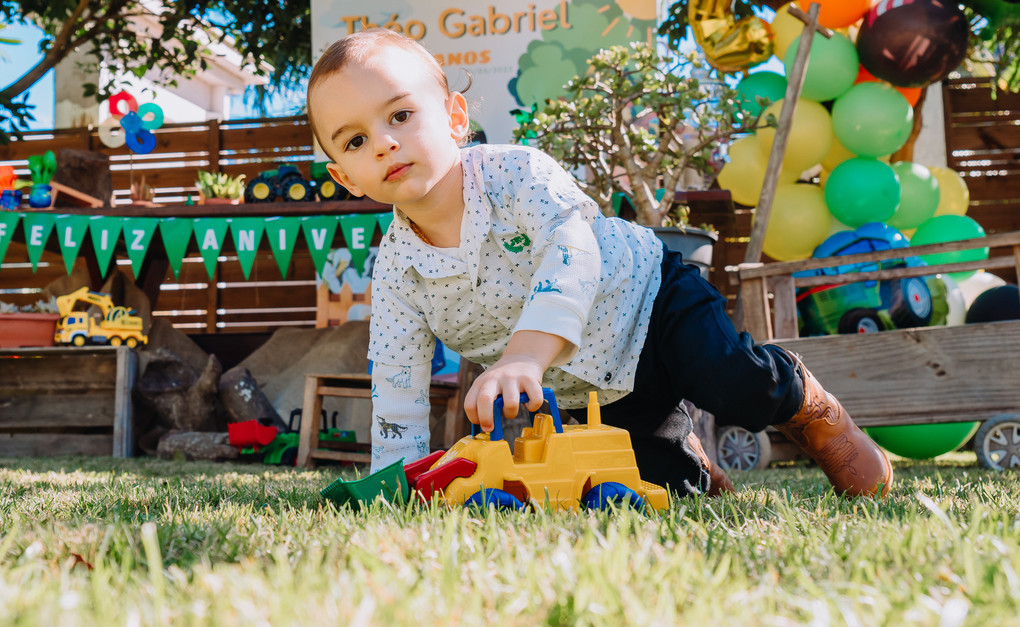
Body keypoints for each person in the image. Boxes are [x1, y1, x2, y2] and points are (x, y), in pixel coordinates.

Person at [307, 28, 892, 498]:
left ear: (455, 117)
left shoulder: (515, 176)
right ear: (342, 176)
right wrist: (400, 483)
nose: (383, 142)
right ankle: (689, 457)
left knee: (732, 383)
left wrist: (523, 357)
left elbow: (574, 253)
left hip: (650, 301)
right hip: (587, 387)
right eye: (354, 141)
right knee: (653, 488)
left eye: (400, 115)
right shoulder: (396, 271)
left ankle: (810, 405)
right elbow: (397, 380)